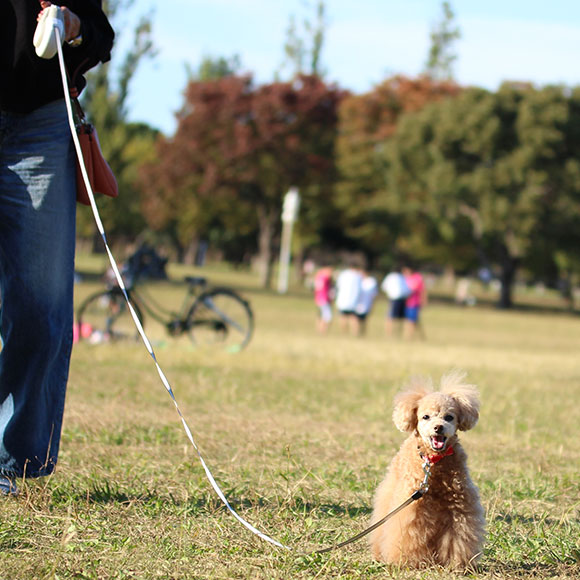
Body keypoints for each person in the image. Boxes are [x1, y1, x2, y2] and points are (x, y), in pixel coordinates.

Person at [0, 1, 114, 495]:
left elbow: (100, 33)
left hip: (43, 126)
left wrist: (72, 27)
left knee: (41, 309)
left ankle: (14, 462)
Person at [381, 266, 410, 337]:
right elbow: (406, 289)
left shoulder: (392, 277)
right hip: (397, 298)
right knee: (392, 317)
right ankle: (390, 333)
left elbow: (384, 287)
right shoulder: (400, 277)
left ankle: (393, 333)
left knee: (394, 317)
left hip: (396, 298)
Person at [334, 262, 363, 336]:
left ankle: (344, 333)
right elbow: (360, 288)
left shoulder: (343, 274)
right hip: (353, 300)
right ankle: (355, 333)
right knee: (353, 317)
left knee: (343, 317)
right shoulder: (358, 276)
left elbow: (338, 286)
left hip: (342, 299)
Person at [402, 265, 427, 339]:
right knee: (409, 320)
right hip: (406, 303)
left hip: (414, 302)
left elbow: (422, 290)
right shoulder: (404, 278)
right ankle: (418, 336)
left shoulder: (417, 277)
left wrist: (423, 300)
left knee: (412, 321)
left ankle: (409, 336)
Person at [354, 270, 378, 336]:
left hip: (366, 304)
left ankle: (362, 333)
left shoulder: (370, 282)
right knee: (356, 319)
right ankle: (355, 333)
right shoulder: (357, 281)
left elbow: (373, 295)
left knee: (363, 320)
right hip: (357, 304)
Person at [313, 266, 334, 334]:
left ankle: (320, 329)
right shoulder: (325, 278)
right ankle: (322, 330)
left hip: (320, 299)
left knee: (321, 315)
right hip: (324, 299)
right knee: (327, 317)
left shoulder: (319, 277)